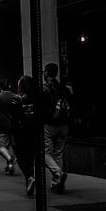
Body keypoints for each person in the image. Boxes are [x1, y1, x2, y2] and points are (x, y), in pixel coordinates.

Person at [42, 62, 72, 193]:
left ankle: (58, 173)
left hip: (49, 124)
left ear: (46, 73)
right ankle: (56, 183)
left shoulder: (44, 89)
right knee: (58, 153)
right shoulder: (64, 88)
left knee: (45, 153)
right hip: (64, 124)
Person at [13, 75, 36, 197]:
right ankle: (29, 182)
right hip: (33, 131)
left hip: (20, 132)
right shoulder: (35, 98)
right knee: (30, 158)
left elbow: (14, 117)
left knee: (21, 158)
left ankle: (29, 177)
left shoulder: (17, 99)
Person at [0, 78, 18, 175]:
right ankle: (10, 166)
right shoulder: (16, 97)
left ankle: (10, 159)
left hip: (1, 125)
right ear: (9, 86)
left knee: (1, 146)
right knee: (10, 145)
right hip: (14, 125)